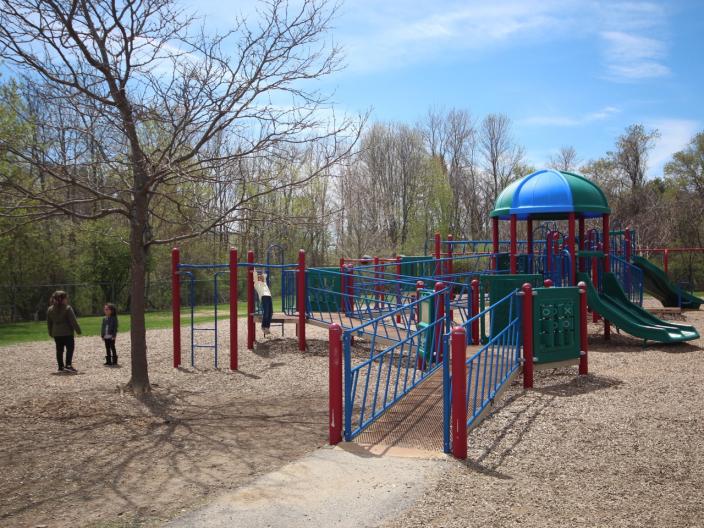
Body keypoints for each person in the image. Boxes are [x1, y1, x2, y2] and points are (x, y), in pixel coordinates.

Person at [47, 290, 82, 372]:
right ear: (62, 299)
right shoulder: (67, 308)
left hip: (56, 333)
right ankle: (68, 365)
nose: (67, 300)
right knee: (70, 348)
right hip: (67, 333)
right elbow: (73, 321)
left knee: (59, 350)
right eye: (66, 298)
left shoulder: (50, 309)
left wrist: (50, 332)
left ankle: (60, 367)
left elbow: (49, 322)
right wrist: (78, 330)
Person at [253, 268, 273, 336]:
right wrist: (254, 268)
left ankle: (267, 327)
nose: (261, 277)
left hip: (269, 297)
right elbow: (255, 275)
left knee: (271, 312)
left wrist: (263, 269)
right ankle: (263, 326)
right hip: (264, 297)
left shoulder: (264, 283)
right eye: (259, 277)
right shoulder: (256, 284)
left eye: (261, 277)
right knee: (266, 312)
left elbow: (264, 274)